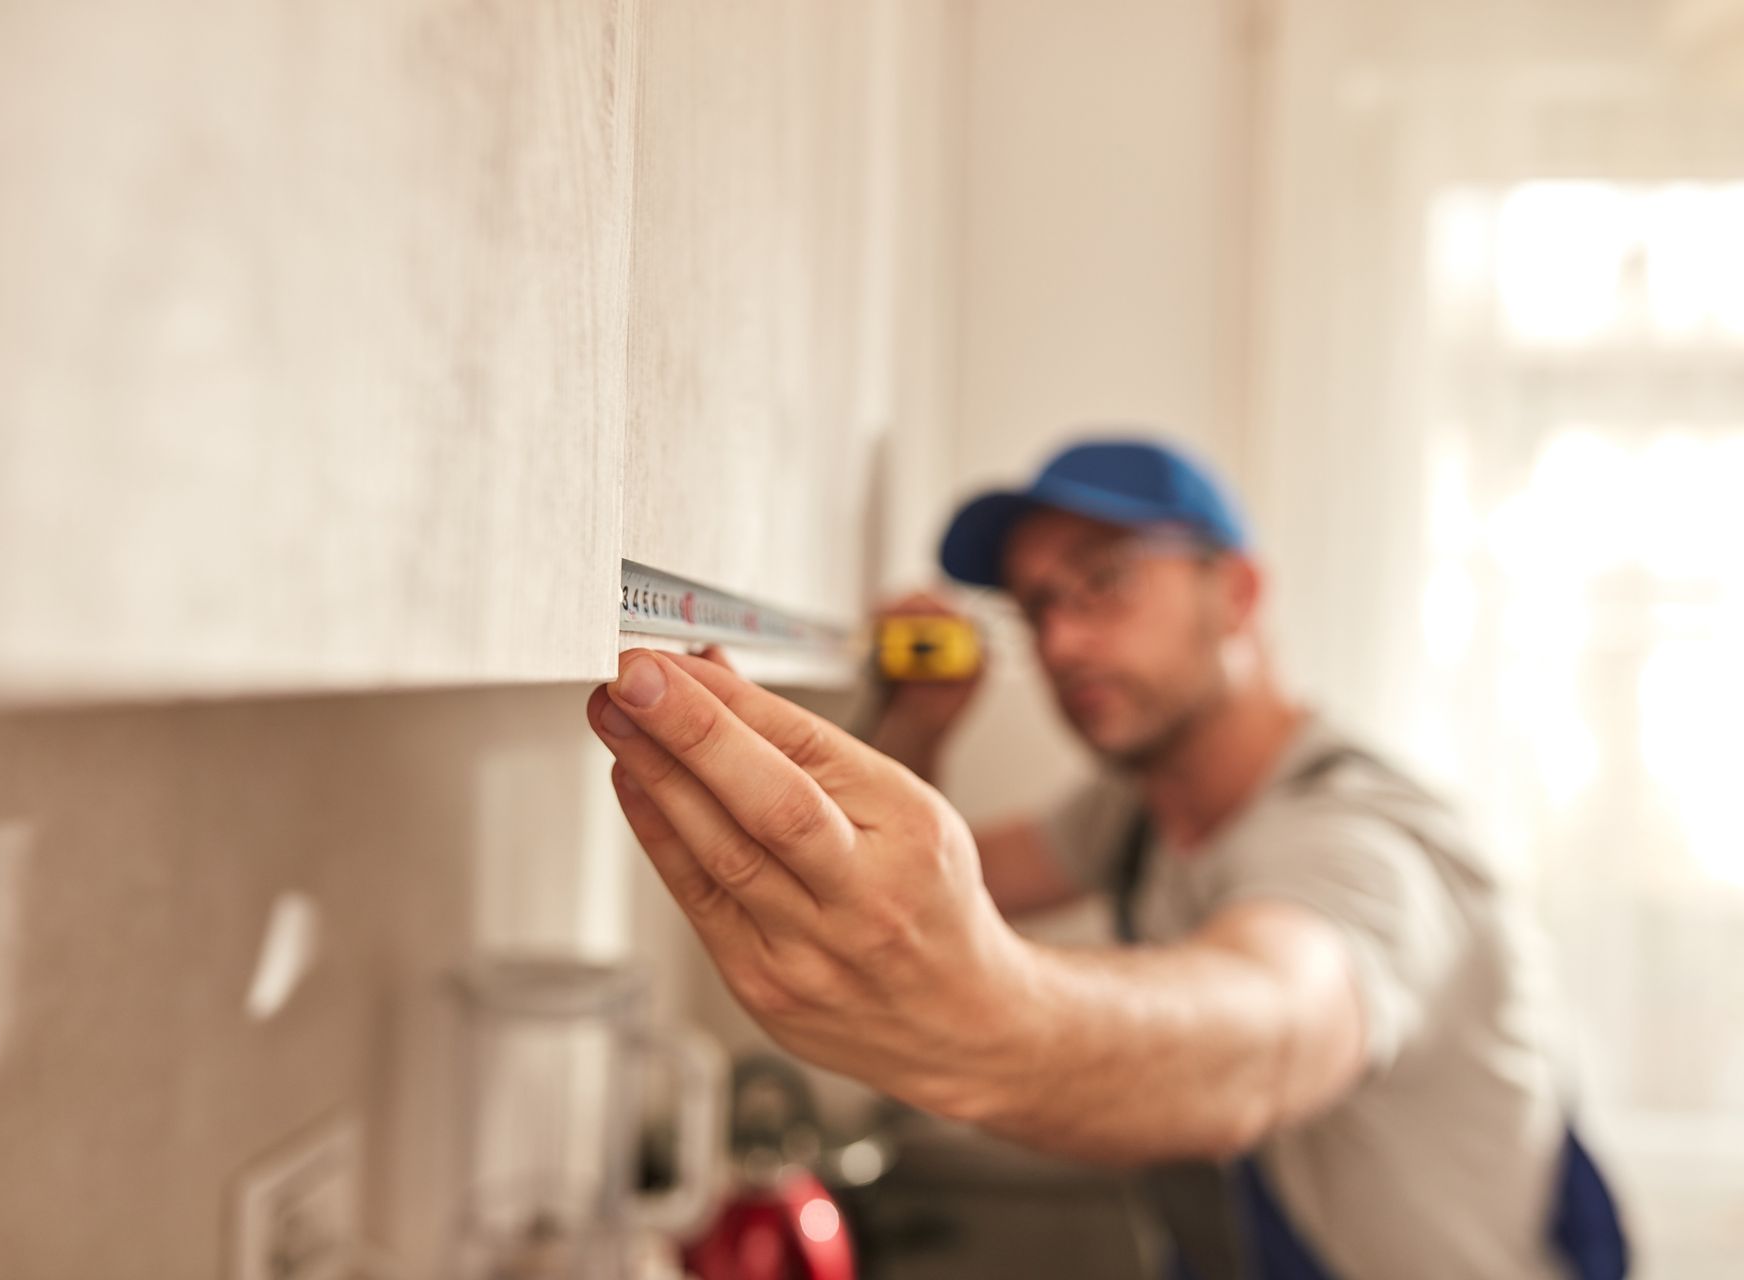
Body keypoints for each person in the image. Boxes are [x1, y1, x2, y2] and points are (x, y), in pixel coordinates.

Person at [585, 437, 1625, 1279]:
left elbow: (1264, 1031)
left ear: (1241, 595)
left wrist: (986, 1022)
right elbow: (923, 884)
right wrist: (920, 728)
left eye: (1106, 584)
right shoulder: (1134, 810)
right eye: (1038, 607)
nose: (1064, 641)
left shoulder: (1362, 845)